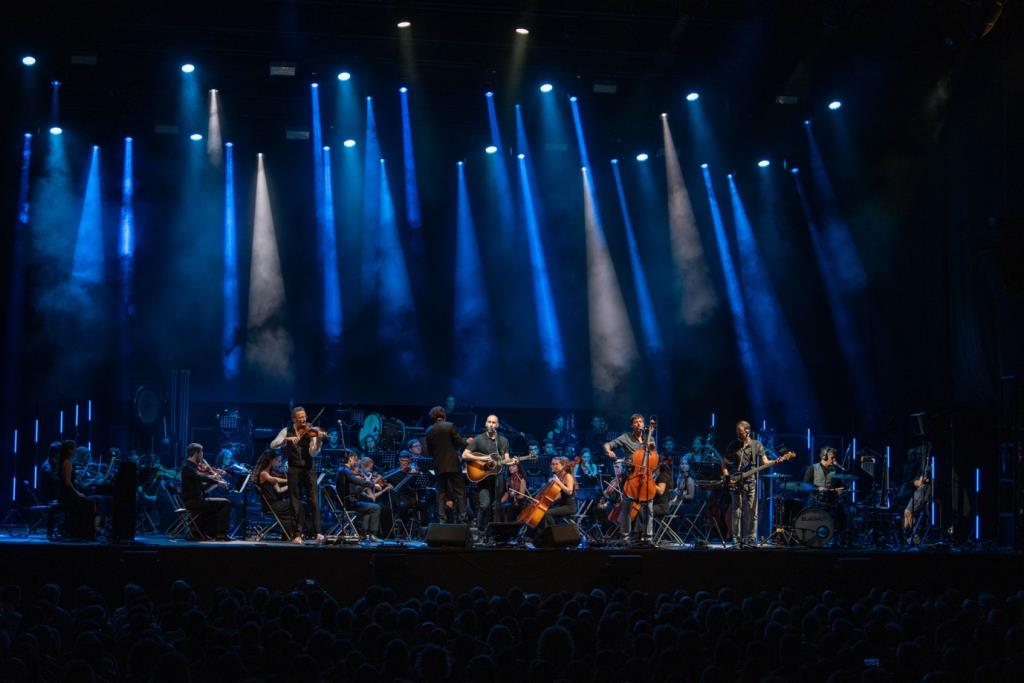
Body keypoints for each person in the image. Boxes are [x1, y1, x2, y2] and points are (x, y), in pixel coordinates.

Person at [270, 406, 324, 542]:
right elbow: (273, 445)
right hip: (293, 469)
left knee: (313, 500)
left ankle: (317, 532)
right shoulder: (286, 431)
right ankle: (297, 534)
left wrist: (318, 440)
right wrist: (287, 440)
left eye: (304, 416)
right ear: (294, 419)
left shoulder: (310, 432)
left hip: (308, 468)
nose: (304, 420)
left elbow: (313, 453)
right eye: (300, 417)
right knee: (295, 501)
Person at [603, 414, 655, 543]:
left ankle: (649, 536)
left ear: (644, 424)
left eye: (641, 422)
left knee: (649, 507)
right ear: (632, 425)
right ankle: (625, 536)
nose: (639, 424)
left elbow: (653, 457)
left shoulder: (649, 438)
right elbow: (608, 444)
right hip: (631, 476)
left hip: (646, 478)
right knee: (626, 507)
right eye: (636, 422)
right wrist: (608, 450)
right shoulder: (626, 437)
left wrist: (650, 446)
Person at [462, 414, 516, 536]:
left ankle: (493, 534)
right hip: (484, 477)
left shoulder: (503, 440)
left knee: (496, 506)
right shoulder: (479, 439)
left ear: (497, 425)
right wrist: (484, 458)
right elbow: (465, 455)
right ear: (486, 424)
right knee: (484, 505)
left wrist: (512, 461)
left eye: (494, 422)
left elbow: (506, 459)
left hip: (498, 477)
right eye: (489, 422)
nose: (491, 424)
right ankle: (480, 530)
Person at [721, 421, 769, 547]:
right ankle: (736, 540)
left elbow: (765, 462)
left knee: (753, 512)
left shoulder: (756, 445)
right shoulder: (734, 445)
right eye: (737, 432)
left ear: (747, 431)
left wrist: (777, 461)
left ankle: (751, 539)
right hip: (736, 482)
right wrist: (727, 477)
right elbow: (724, 463)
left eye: (740, 432)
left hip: (751, 482)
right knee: (736, 512)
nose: (738, 434)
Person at [423, 406, 469, 523]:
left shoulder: (429, 430)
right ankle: (463, 518)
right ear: (443, 414)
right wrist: (467, 441)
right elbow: (460, 442)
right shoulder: (450, 426)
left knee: (441, 492)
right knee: (460, 491)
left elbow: (429, 451)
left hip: (439, 465)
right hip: (453, 464)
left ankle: (441, 519)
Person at [180, 443, 231, 540]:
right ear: (196, 453)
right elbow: (200, 477)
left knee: (218, 505)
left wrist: (214, 482)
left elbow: (201, 486)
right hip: (193, 502)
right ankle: (221, 534)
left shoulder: (192, 467)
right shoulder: (188, 467)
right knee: (225, 503)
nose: (202, 455)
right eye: (201, 453)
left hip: (197, 499)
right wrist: (217, 481)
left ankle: (212, 533)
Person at [253, 449, 301, 543]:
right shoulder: (263, 474)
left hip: (277, 504)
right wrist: (290, 480)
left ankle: (289, 533)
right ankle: (297, 532)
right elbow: (273, 480)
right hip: (271, 505)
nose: (279, 463)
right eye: (278, 461)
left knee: (297, 505)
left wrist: (291, 486)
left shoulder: (271, 473)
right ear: (271, 461)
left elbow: (279, 490)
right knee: (297, 505)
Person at [336, 451, 381, 541]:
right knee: (376, 508)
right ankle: (372, 535)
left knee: (369, 509)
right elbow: (357, 481)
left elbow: (354, 485)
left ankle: (365, 535)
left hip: (346, 502)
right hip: (348, 503)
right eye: (355, 460)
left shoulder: (341, 470)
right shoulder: (346, 471)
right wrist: (372, 484)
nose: (356, 462)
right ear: (350, 458)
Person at [58, 440, 96, 540]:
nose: (75, 450)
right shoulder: (68, 463)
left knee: (87, 502)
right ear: (69, 450)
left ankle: (79, 532)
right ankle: (85, 534)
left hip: (64, 494)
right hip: (67, 496)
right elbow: (68, 483)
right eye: (74, 448)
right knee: (90, 503)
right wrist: (78, 493)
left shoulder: (63, 461)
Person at [903, 446, 932, 542]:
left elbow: (920, 482)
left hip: (924, 491)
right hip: (919, 491)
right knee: (909, 514)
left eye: (920, 454)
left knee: (908, 512)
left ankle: (913, 537)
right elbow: (915, 481)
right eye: (918, 455)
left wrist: (917, 482)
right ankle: (909, 537)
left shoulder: (928, 466)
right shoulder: (920, 466)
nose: (918, 457)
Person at [539, 457, 576, 529]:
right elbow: (559, 496)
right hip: (561, 505)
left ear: (563, 466)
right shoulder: (560, 476)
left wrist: (558, 482)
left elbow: (569, 492)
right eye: (552, 464)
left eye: (556, 464)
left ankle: (555, 533)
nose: (553, 466)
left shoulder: (568, 476)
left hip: (569, 507)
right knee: (542, 511)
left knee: (547, 513)